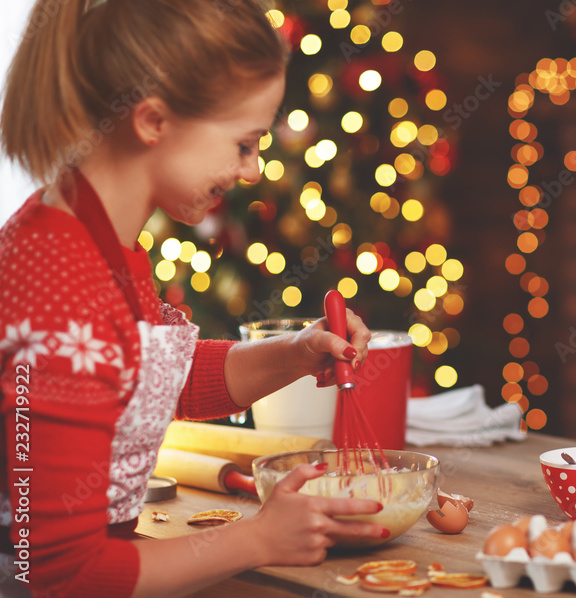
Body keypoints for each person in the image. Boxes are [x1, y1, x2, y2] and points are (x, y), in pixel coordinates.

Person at [0, 1, 387, 596]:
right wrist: (259, 539)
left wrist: (296, 352)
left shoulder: (102, 237)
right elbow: (62, 574)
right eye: (243, 143)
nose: (254, 170)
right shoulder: (61, 291)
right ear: (153, 120)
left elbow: (154, 381)